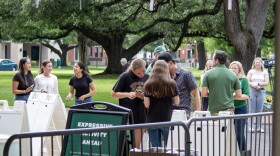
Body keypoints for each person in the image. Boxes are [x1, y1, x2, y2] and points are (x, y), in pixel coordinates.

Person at [112, 58, 149, 149]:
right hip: (127, 113)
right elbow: (114, 94)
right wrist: (127, 94)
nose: (141, 75)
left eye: (143, 71)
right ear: (133, 69)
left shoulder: (147, 77)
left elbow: (150, 97)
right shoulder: (125, 76)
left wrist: (142, 97)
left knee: (136, 146)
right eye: (138, 73)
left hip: (141, 114)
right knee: (125, 145)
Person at [143, 60, 179, 147]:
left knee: (156, 149)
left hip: (152, 120)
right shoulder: (171, 83)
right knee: (170, 147)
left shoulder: (148, 84)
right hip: (168, 119)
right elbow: (177, 102)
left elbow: (146, 105)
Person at [201, 50, 241, 115]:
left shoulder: (207, 74)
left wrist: (214, 95)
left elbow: (203, 94)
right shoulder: (234, 75)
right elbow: (239, 95)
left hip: (214, 110)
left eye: (213, 59)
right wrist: (227, 97)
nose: (212, 60)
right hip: (229, 110)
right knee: (228, 125)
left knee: (215, 125)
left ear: (217, 61)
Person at [229, 61, 250, 152]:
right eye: (231, 68)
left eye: (235, 68)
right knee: (228, 133)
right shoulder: (227, 79)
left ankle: (243, 152)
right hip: (228, 109)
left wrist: (235, 96)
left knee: (239, 134)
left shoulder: (243, 80)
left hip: (240, 109)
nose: (233, 70)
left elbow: (247, 96)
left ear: (239, 70)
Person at [247, 57, 269, 132]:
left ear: (261, 64)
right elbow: (247, 81)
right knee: (252, 109)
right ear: (254, 64)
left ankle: (259, 127)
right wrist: (253, 85)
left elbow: (266, 82)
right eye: (256, 63)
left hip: (261, 91)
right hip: (252, 91)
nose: (257, 64)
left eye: (259, 63)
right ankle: (250, 126)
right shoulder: (251, 71)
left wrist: (259, 84)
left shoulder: (265, 72)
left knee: (259, 110)